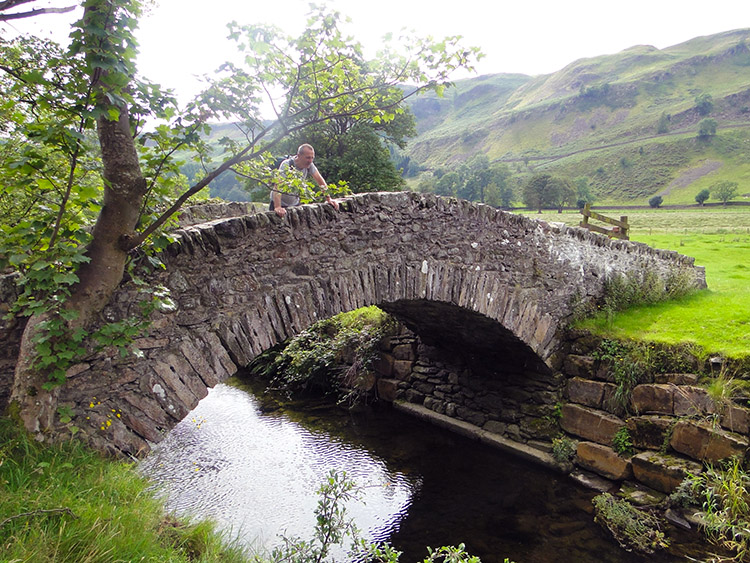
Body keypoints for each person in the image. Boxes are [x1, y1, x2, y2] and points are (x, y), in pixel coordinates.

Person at [270, 144, 339, 217]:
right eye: (308, 158)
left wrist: (329, 199)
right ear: (299, 155)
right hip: (280, 203)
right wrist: (277, 207)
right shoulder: (287, 165)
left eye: (312, 158)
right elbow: (278, 185)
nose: (310, 161)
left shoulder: (310, 165)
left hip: (294, 203)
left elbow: (320, 180)